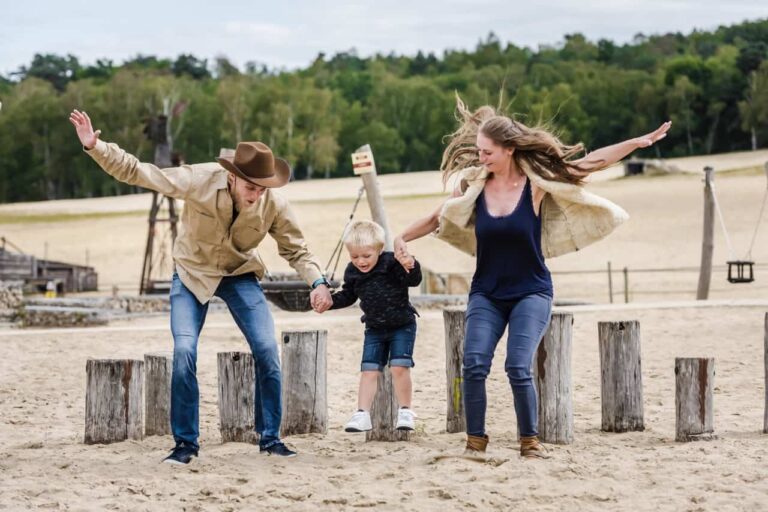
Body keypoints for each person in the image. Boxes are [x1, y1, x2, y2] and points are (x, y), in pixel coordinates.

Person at [394, 99, 670, 459]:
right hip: (487, 292)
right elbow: (437, 217)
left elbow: (589, 163)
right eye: (478, 151)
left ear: (510, 149)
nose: (481, 158)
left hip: (531, 291)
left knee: (517, 365)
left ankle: (530, 441)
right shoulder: (474, 186)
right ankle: (475, 441)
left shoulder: (535, 185)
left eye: (487, 152)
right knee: (474, 363)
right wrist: (400, 239)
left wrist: (635, 143)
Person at [69, 109, 333, 464]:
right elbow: (141, 172)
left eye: (262, 188)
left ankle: (270, 439)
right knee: (184, 353)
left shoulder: (274, 203)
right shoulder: (198, 180)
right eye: (251, 187)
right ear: (233, 177)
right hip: (192, 273)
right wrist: (96, 147)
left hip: (239, 274)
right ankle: (185, 444)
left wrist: (316, 281)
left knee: (268, 350)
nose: (256, 195)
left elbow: (296, 250)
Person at [314, 220, 422, 432]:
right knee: (369, 370)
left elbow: (414, 280)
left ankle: (406, 411)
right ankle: (362, 414)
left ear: (379, 250)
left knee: (400, 366)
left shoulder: (391, 263)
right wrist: (330, 303)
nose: (360, 261)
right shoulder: (352, 272)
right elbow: (348, 295)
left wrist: (411, 264)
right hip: (374, 328)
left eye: (366, 256)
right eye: (354, 256)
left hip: (402, 324)